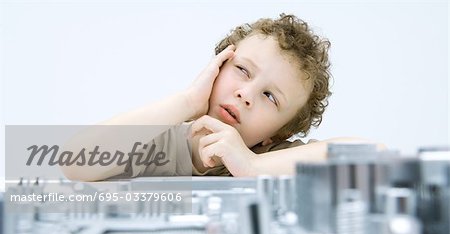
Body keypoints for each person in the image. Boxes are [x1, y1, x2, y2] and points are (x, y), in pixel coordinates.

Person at [62, 14, 380, 181]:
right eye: (242, 70)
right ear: (218, 66)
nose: (246, 94)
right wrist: (188, 102)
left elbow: (374, 154)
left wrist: (252, 166)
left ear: (278, 134)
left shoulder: (271, 157)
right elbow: (74, 162)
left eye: (270, 96)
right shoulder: (162, 137)